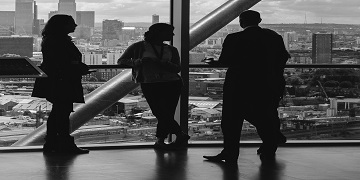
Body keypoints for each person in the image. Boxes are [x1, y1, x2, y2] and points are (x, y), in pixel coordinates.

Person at [203, 10, 290, 163]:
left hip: (239, 84)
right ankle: (270, 146)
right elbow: (283, 57)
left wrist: (213, 62)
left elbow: (225, 61)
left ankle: (230, 152)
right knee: (265, 114)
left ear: (241, 22)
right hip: (267, 84)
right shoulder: (274, 38)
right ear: (260, 20)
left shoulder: (234, 38)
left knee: (231, 121)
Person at [118, 23, 190, 150]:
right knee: (162, 113)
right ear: (159, 33)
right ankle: (178, 134)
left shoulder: (171, 49)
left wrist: (160, 63)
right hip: (155, 83)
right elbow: (121, 61)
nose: (172, 35)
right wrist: (138, 62)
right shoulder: (138, 47)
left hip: (169, 83)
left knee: (164, 113)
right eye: (169, 32)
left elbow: (177, 68)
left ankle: (161, 140)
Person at [32, 14, 90, 154]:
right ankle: (62, 143)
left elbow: (57, 61)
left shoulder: (51, 39)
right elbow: (62, 62)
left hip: (56, 80)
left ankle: (53, 143)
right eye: (71, 23)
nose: (75, 25)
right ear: (62, 26)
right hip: (62, 81)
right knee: (62, 113)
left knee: (59, 112)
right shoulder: (59, 40)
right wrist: (77, 67)